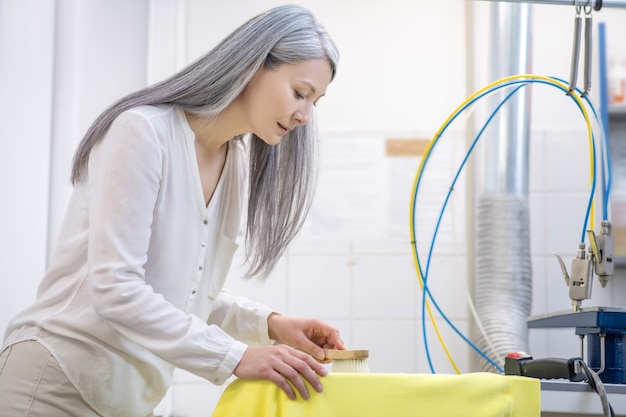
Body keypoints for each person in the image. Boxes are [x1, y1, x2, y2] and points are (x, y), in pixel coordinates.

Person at [0, 4, 345, 417]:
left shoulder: (233, 164)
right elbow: (116, 289)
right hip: (55, 381)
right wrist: (237, 355)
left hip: (122, 400)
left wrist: (270, 324)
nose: (305, 116)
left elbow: (178, 293)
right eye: (300, 93)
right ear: (254, 66)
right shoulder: (144, 132)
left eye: (316, 102)